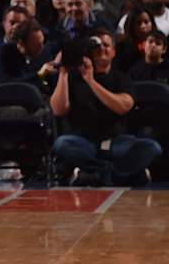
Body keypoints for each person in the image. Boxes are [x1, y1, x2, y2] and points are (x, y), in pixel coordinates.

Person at [50, 37, 160, 187]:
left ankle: (92, 175)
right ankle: (121, 175)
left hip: (116, 142)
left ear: (113, 52)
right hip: (83, 142)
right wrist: (63, 72)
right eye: (97, 46)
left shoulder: (121, 78)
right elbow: (58, 110)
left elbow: (123, 106)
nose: (101, 48)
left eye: (106, 45)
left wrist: (91, 81)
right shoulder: (73, 78)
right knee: (62, 144)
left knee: (151, 147)